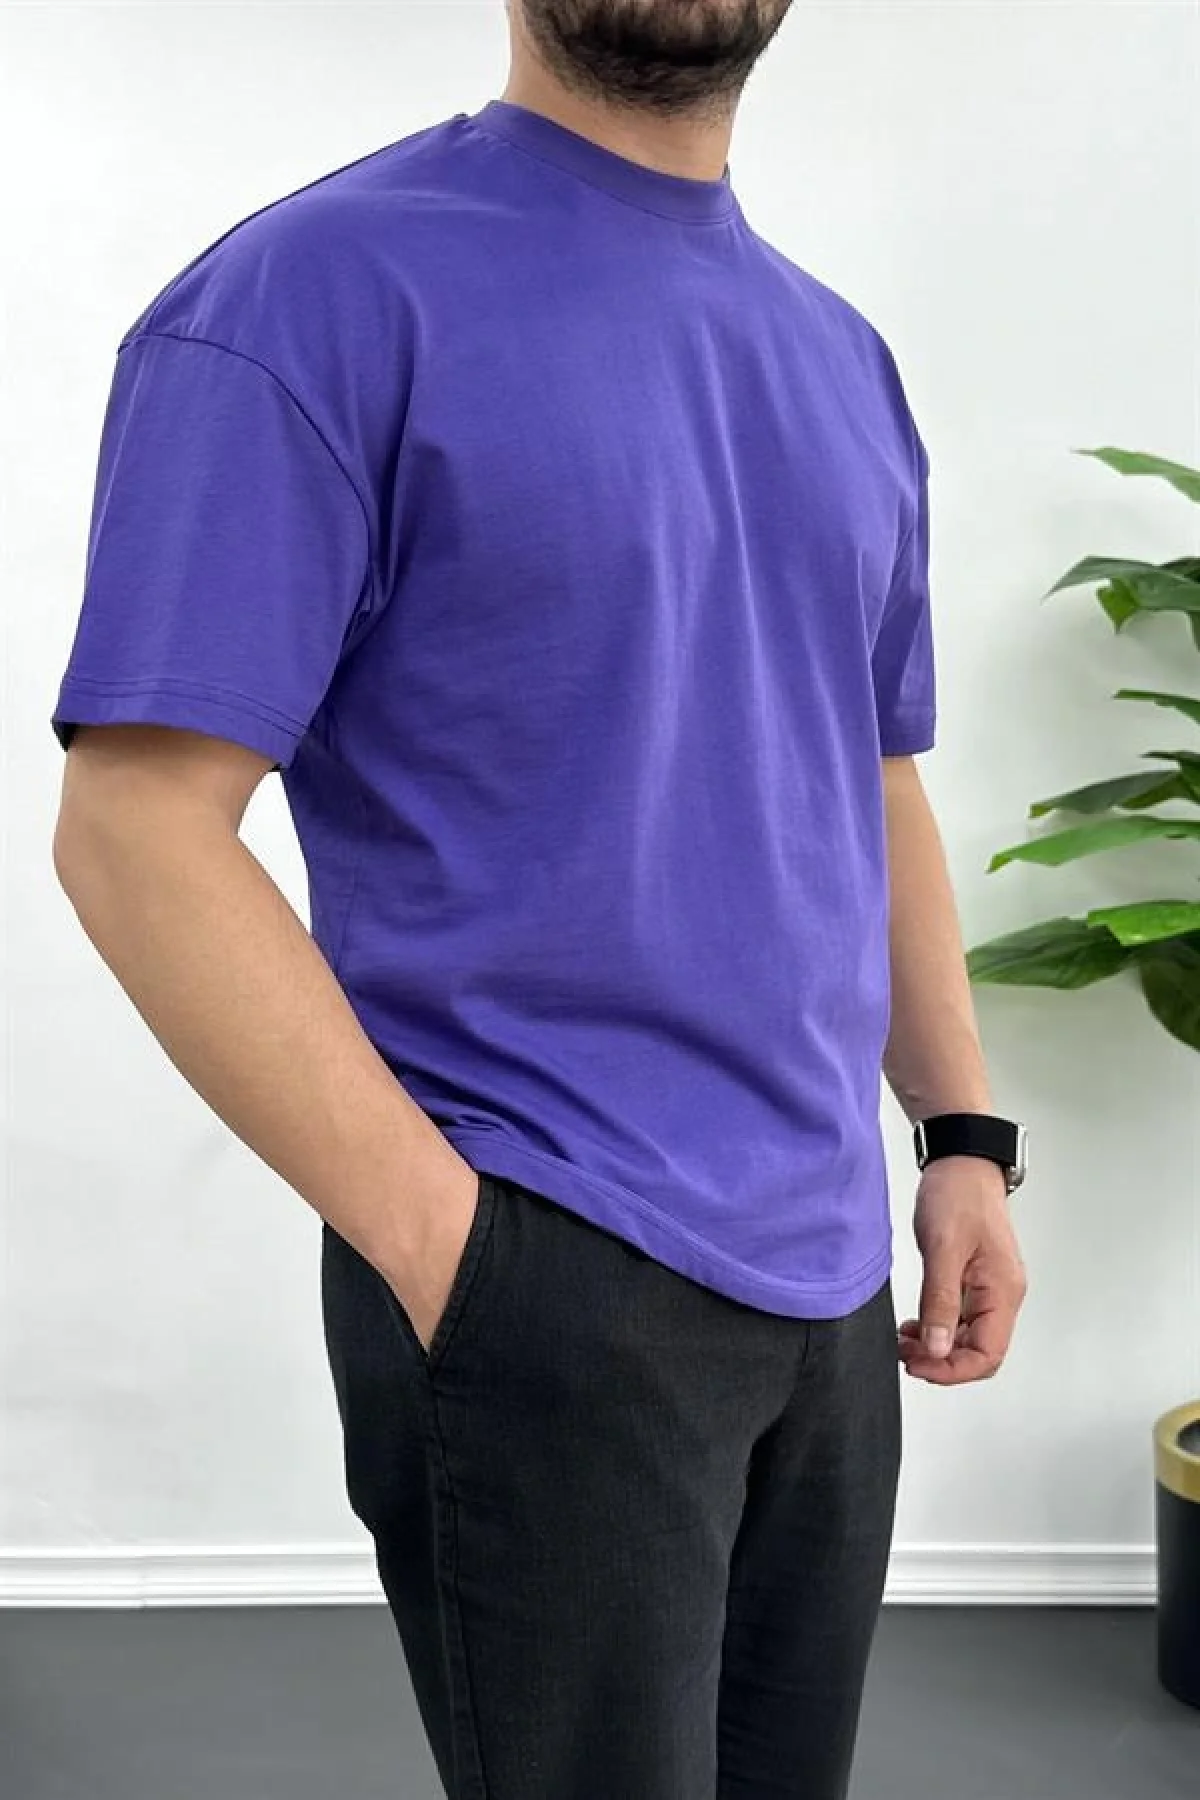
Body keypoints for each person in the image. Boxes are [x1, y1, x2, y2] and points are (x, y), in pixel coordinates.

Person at [50, 3, 1030, 1796]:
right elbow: (136, 832)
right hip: (548, 1259)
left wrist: (959, 1131)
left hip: (827, 1290)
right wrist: (460, 1255)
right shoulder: (311, 296)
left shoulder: (839, 356)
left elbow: (873, 776)